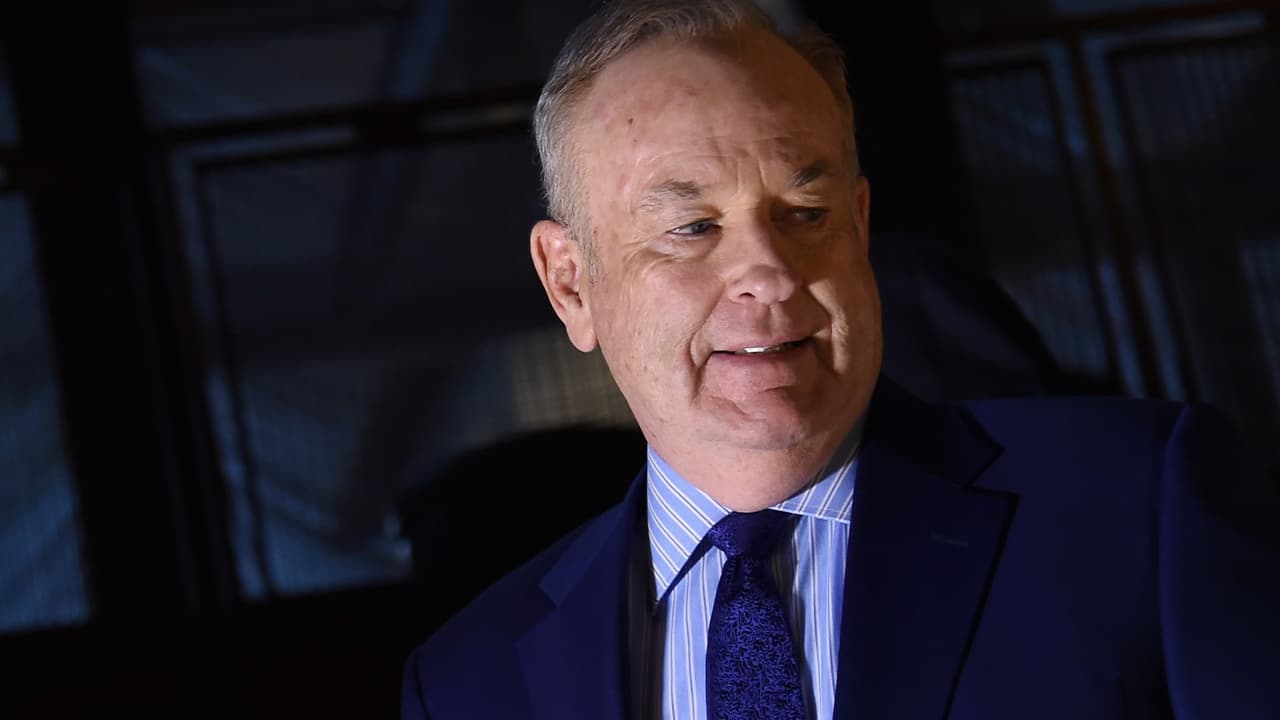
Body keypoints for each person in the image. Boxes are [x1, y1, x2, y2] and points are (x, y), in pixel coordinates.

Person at [400, 1, 1280, 718]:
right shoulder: (470, 684)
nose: (769, 272)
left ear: (860, 225)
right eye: (693, 227)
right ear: (570, 283)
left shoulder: (1137, 511)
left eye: (806, 214)